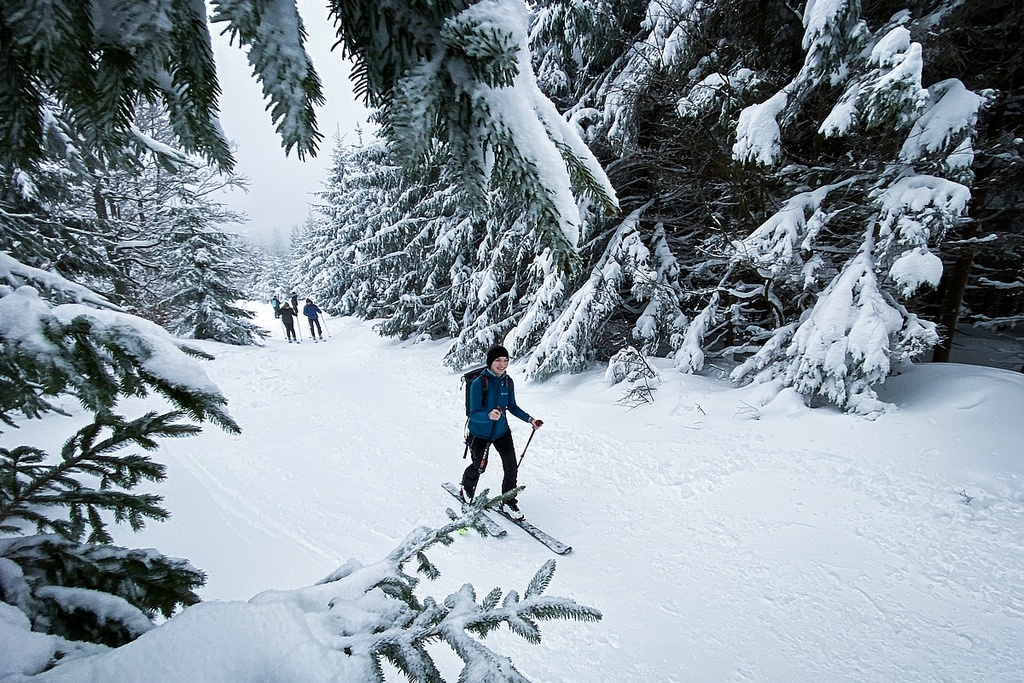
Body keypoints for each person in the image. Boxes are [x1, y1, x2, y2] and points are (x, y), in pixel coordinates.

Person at [460, 345, 542, 521]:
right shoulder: (479, 383)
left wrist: (530, 420)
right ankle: (466, 487)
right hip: (479, 432)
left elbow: (511, 406)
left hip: (501, 431)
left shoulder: (508, 382)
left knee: (511, 466)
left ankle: (508, 500)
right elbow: (472, 414)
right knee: (479, 466)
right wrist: (488, 415)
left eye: (505, 360)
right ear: (490, 362)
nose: (502, 364)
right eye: (498, 360)